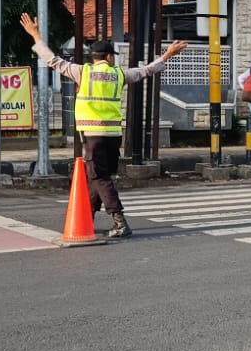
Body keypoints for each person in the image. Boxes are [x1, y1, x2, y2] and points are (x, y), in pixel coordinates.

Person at [19, 13, 188, 239]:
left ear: (94, 57)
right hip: (112, 135)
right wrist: (167, 55)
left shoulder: (83, 72)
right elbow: (146, 71)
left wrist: (36, 35)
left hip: (92, 135)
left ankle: (119, 221)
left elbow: (53, 60)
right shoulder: (118, 75)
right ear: (109, 57)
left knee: (99, 177)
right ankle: (86, 216)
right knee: (99, 176)